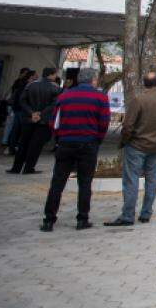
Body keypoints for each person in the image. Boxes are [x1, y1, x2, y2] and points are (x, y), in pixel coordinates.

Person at [41, 68, 109, 231]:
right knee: (85, 183)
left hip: (66, 143)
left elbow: (54, 123)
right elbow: (104, 123)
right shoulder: (100, 97)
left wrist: (59, 138)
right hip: (88, 143)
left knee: (57, 183)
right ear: (93, 80)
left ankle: (49, 220)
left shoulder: (64, 96)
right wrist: (97, 140)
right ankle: (82, 218)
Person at [104, 71, 156, 226]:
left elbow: (128, 125)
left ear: (144, 83)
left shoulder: (139, 100)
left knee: (131, 180)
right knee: (152, 179)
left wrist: (125, 141)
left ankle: (128, 215)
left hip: (136, 145)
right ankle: (146, 213)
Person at [9, 66, 61, 175]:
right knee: (36, 145)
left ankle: (16, 167)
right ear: (51, 74)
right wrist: (40, 113)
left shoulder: (31, 84)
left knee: (23, 142)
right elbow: (54, 104)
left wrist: (31, 113)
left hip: (28, 118)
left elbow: (22, 100)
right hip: (43, 120)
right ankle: (29, 168)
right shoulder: (55, 87)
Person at [3, 68, 32, 155]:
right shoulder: (23, 84)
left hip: (17, 108)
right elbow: (18, 98)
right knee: (14, 128)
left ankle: (10, 145)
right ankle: (11, 145)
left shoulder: (21, 83)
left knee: (14, 128)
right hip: (18, 109)